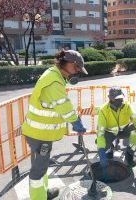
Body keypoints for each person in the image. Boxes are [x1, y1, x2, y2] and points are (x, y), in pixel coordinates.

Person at [22, 50, 88, 200]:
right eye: (77, 68)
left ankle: (43, 193)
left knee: (42, 165)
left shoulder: (55, 75)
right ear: (69, 64)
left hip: (39, 133)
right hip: (39, 134)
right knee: (38, 170)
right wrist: (75, 121)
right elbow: (63, 105)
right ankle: (38, 198)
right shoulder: (54, 81)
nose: (77, 72)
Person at [96, 87, 136, 168]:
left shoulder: (126, 106)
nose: (121, 101)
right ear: (111, 99)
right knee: (102, 144)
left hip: (124, 131)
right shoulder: (103, 110)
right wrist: (101, 151)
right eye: (118, 99)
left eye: (121, 98)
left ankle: (129, 154)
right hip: (110, 133)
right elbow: (100, 132)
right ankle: (109, 149)